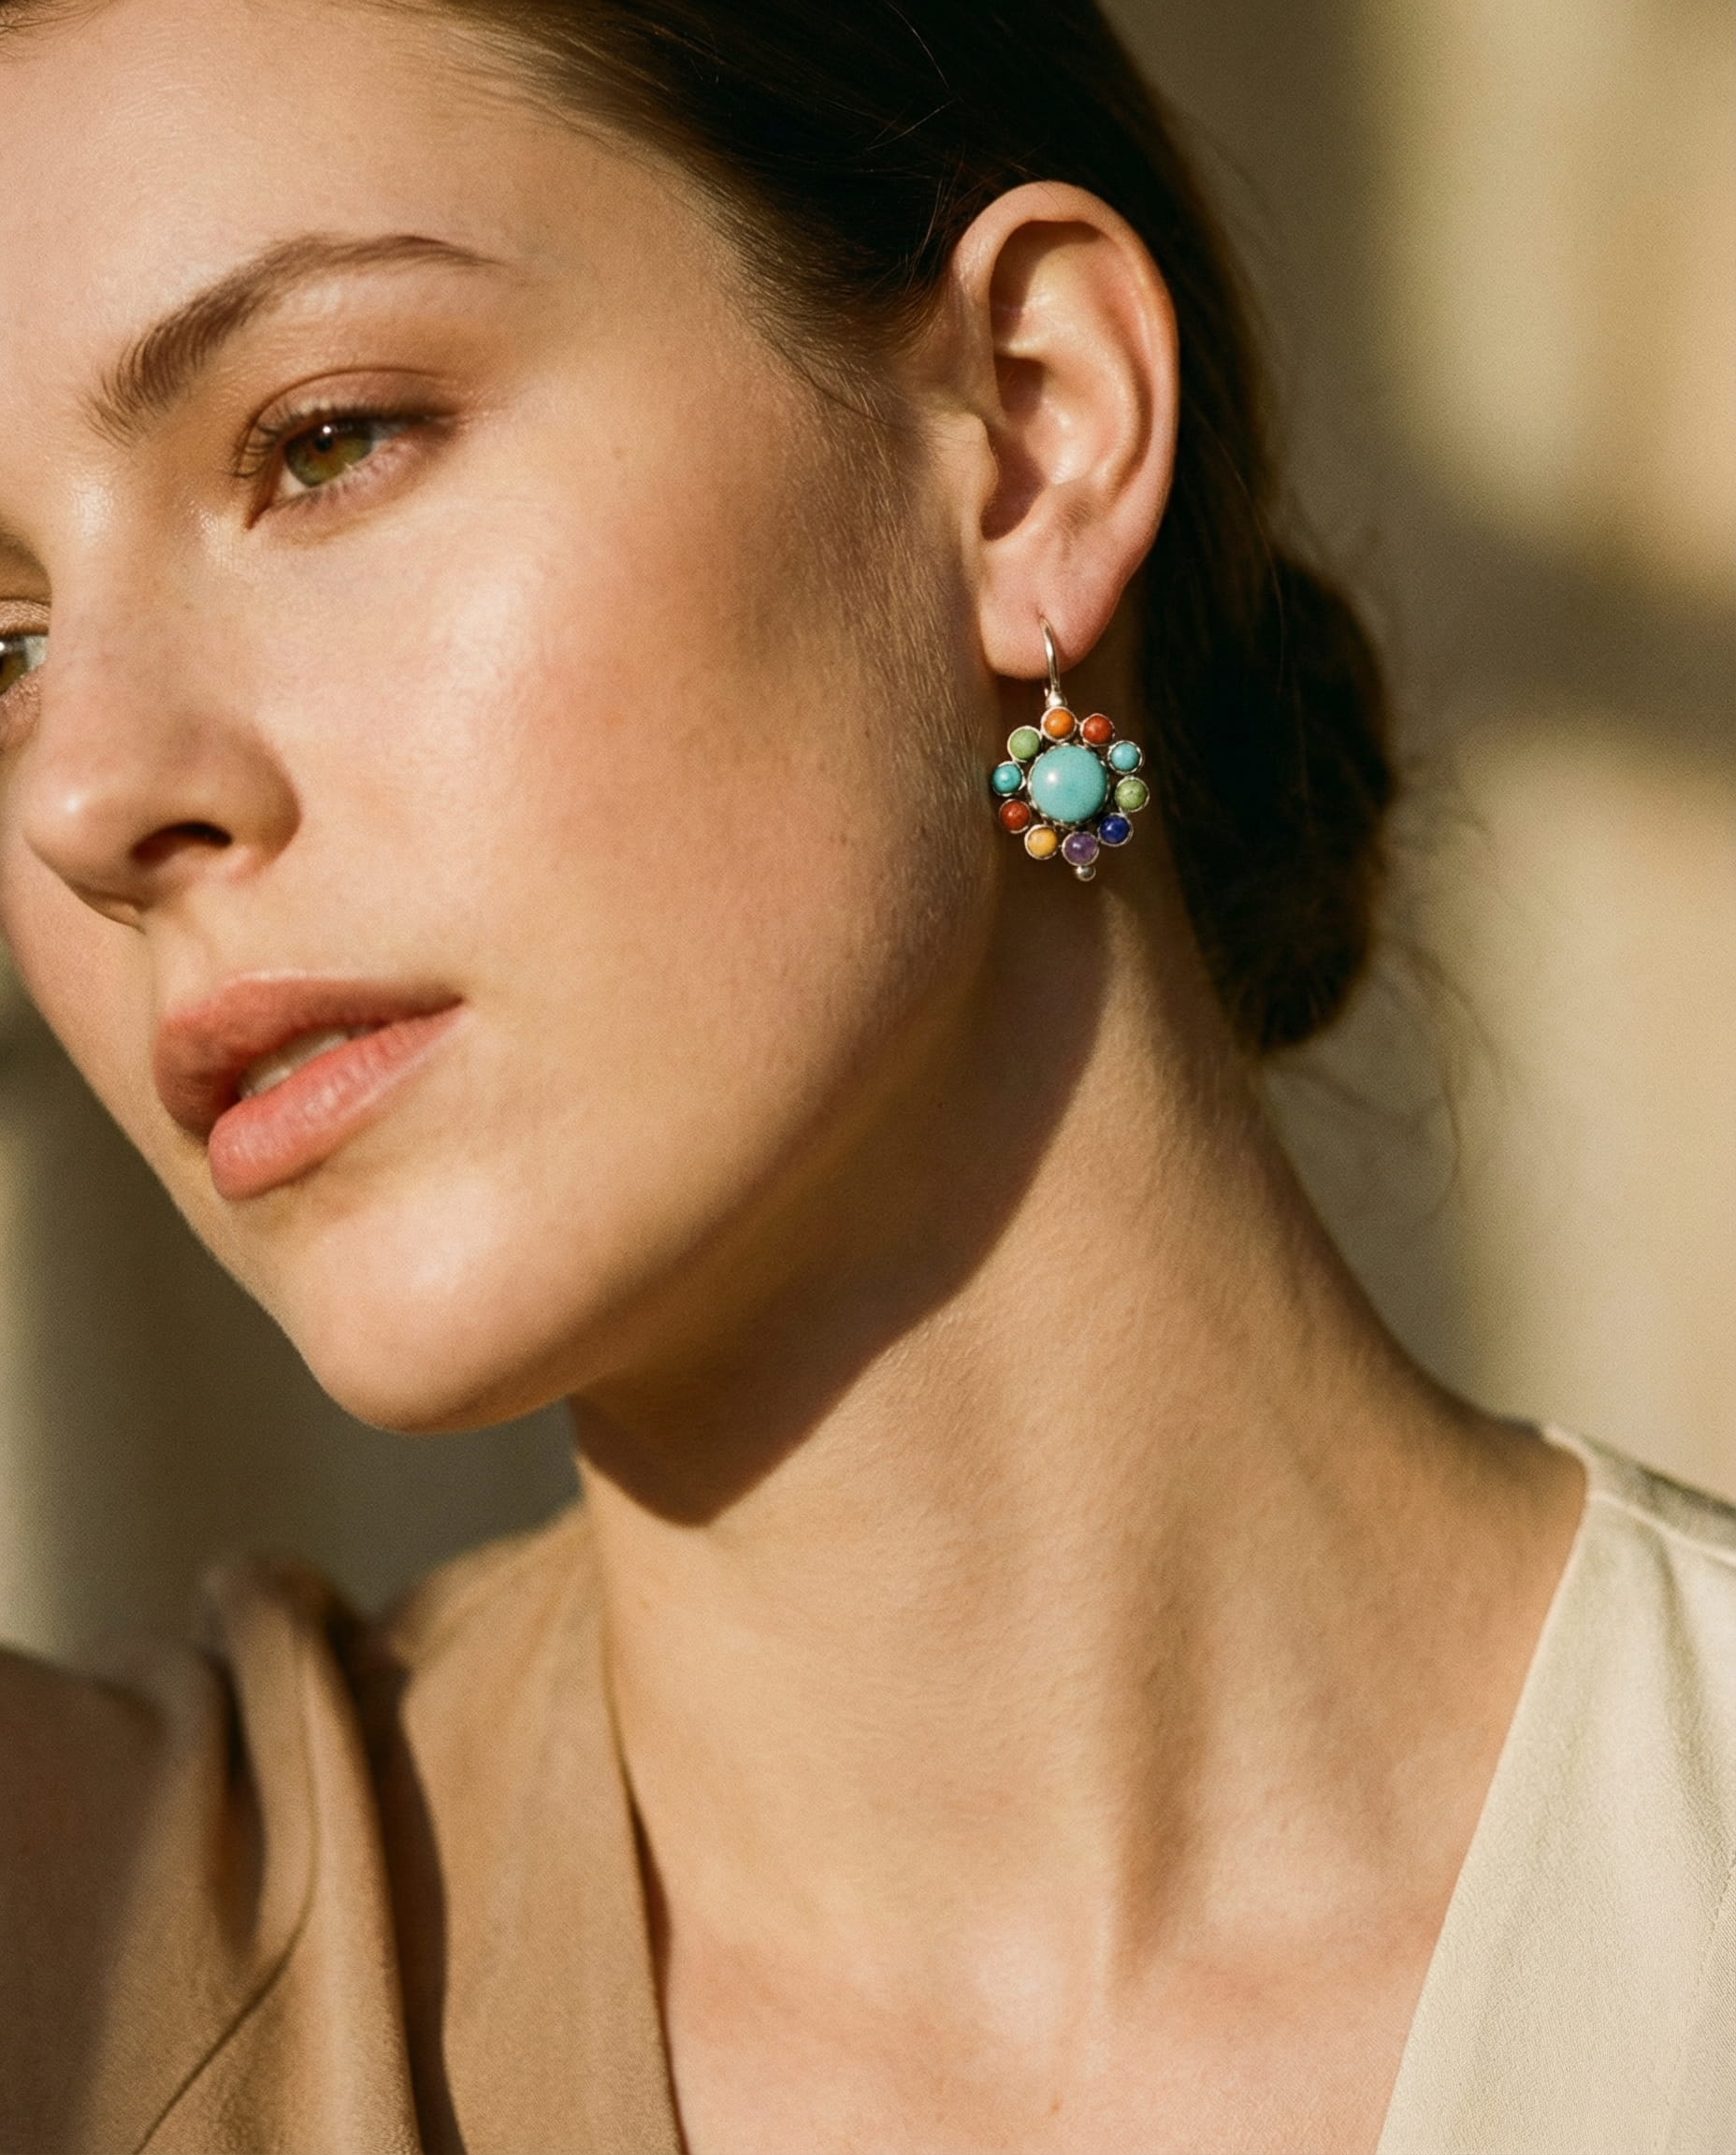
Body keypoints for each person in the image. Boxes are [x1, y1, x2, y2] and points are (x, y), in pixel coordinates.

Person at [0, 0, 1729, 2148]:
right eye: (1, 645)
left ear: (1027, 432)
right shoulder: (73, 1960)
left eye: (326, 439)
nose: (83, 792)